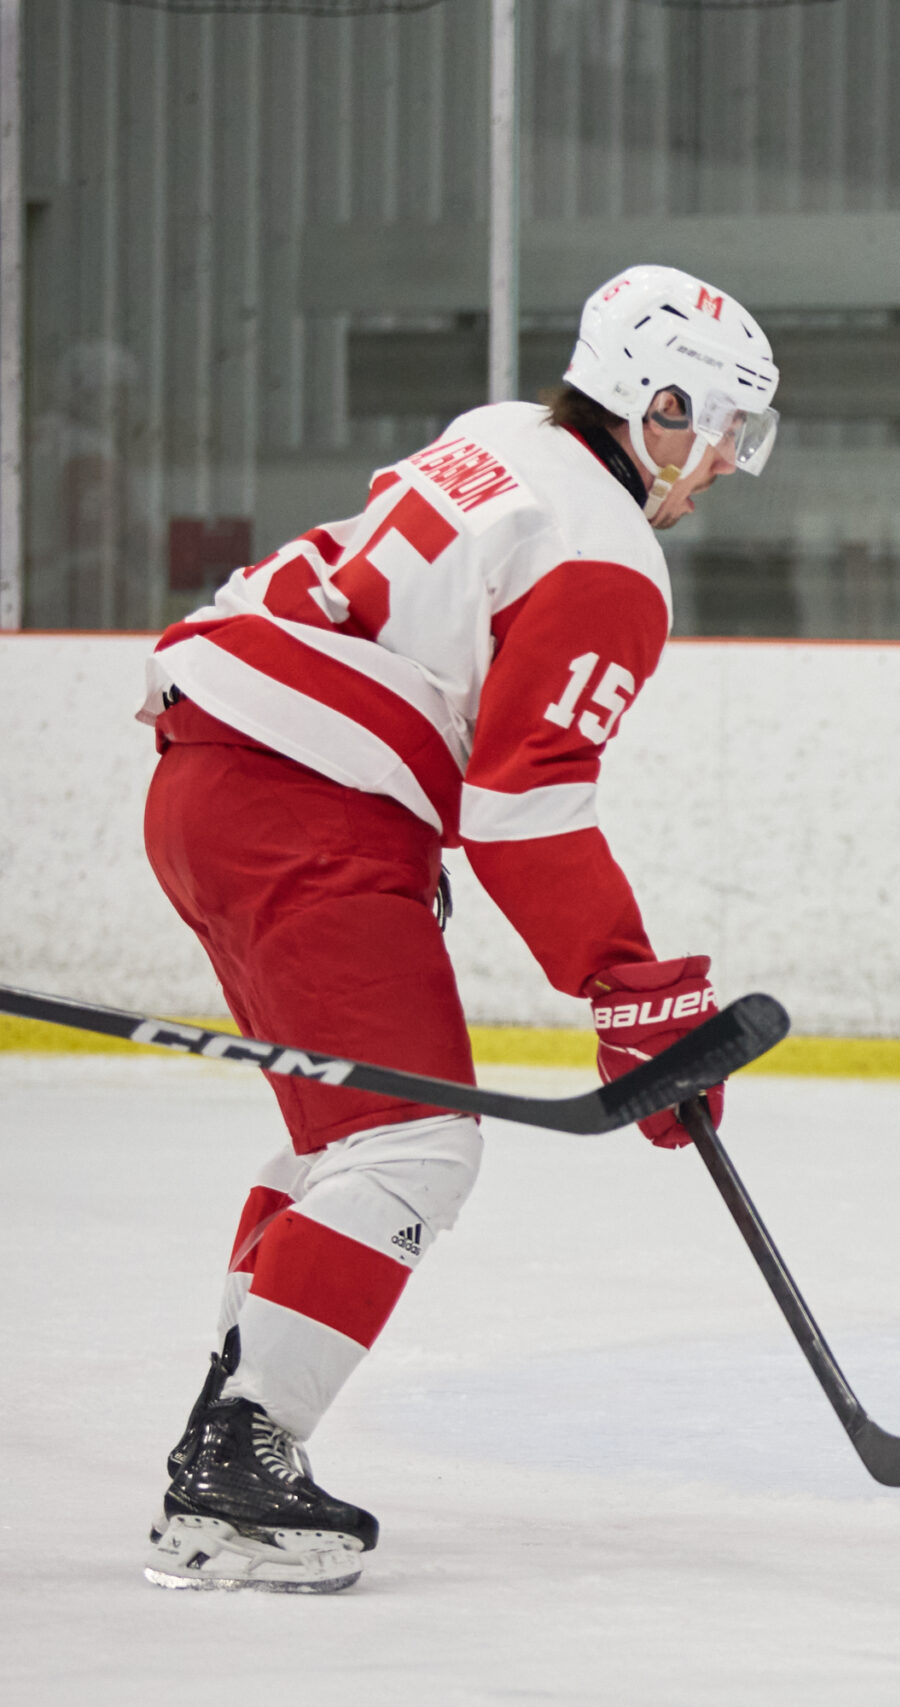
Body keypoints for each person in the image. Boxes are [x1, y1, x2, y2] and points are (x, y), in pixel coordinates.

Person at [134, 264, 780, 1592]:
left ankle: (230, 1414)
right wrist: (632, 990)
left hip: (210, 772)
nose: (722, 465)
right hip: (301, 803)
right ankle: (241, 1458)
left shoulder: (502, 434)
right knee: (413, 1142)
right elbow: (523, 802)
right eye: (719, 425)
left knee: (338, 1133)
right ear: (658, 404)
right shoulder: (610, 559)